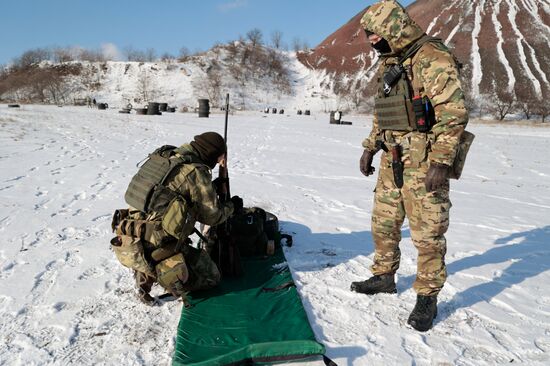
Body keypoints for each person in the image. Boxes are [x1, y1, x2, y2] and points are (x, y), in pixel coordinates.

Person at [350, 0, 468, 332]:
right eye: (368, 35)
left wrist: (442, 162)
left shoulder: (433, 58)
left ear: (393, 28)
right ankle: (384, 276)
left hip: (425, 160)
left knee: (428, 233)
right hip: (392, 157)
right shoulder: (391, 62)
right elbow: (383, 110)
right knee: (384, 222)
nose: (371, 41)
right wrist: (370, 146)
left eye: (374, 34)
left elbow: (453, 114)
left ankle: (427, 296)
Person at [114, 132, 243, 305]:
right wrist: (232, 206)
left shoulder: (166, 156)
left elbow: (170, 191)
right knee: (211, 276)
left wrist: (210, 188)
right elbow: (212, 216)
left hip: (129, 232)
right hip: (156, 240)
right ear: (211, 154)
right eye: (218, 157)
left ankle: (148, 262)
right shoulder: (196, 171)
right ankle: (162, 270)